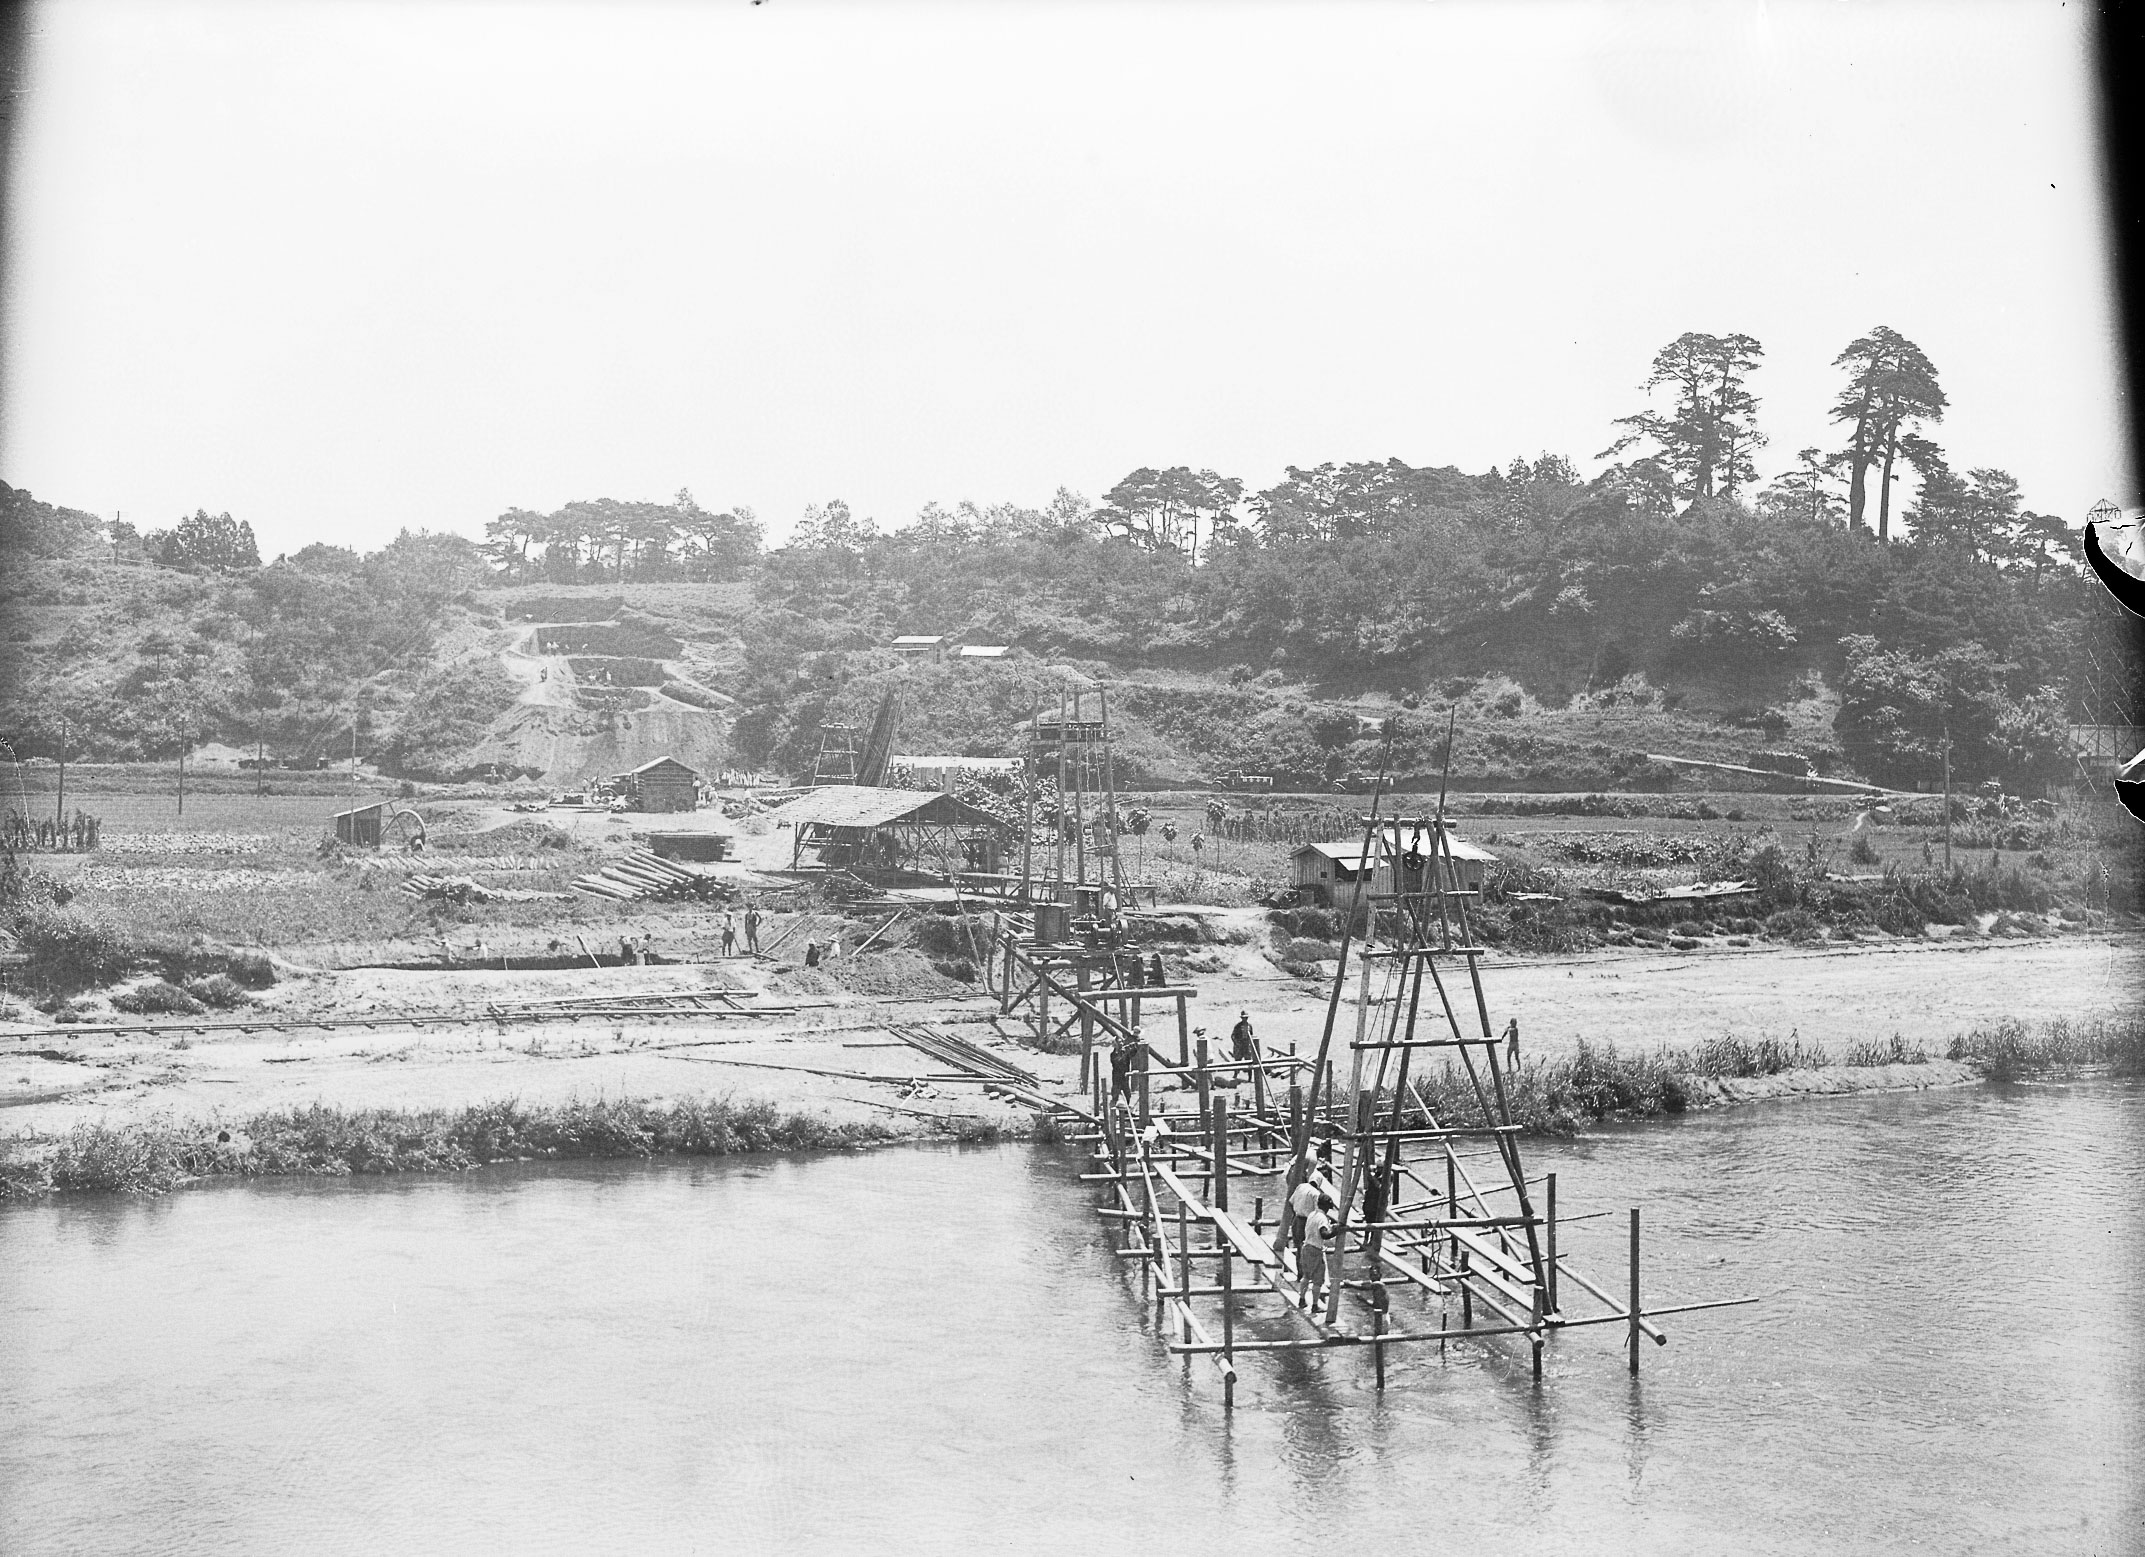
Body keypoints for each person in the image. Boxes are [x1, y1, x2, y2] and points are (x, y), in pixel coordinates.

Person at [1297, 1195, 1337, 1310]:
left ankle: (1302, 1300)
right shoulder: (1322, 1218)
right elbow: (1324, 1234)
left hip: (1306, 1247)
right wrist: (1335, 1232)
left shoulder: (1311, 1214)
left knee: (1306, 1276)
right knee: (1317, 1280)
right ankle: (1315, 1305)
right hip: (1315, 1249)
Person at [1109, 1026, 1142, 1104]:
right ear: (1115, 1044)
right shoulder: (1113, 1054)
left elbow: (1134, 1051)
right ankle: (1113, 1111)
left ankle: (1126, 1111)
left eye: (1121, 1042)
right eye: (1119, 1042)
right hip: (1117, 1077)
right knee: (1115, 1095)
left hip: (1124, 1077)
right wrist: (1126, 1052)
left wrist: (1136, 1040)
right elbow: (1118, 1062)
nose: (1121, 1043)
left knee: (1127, 1094)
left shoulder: (1125, 1052)